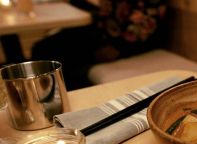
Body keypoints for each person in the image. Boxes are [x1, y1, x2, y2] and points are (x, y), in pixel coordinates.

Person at [31, 0, 167, 90]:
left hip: (128, 45)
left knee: (67, 60)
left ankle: (64, 100)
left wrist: (117, 47)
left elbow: (144, 27)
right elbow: (102, 13)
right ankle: (46, 97)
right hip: (102, 34)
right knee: (43, 47)